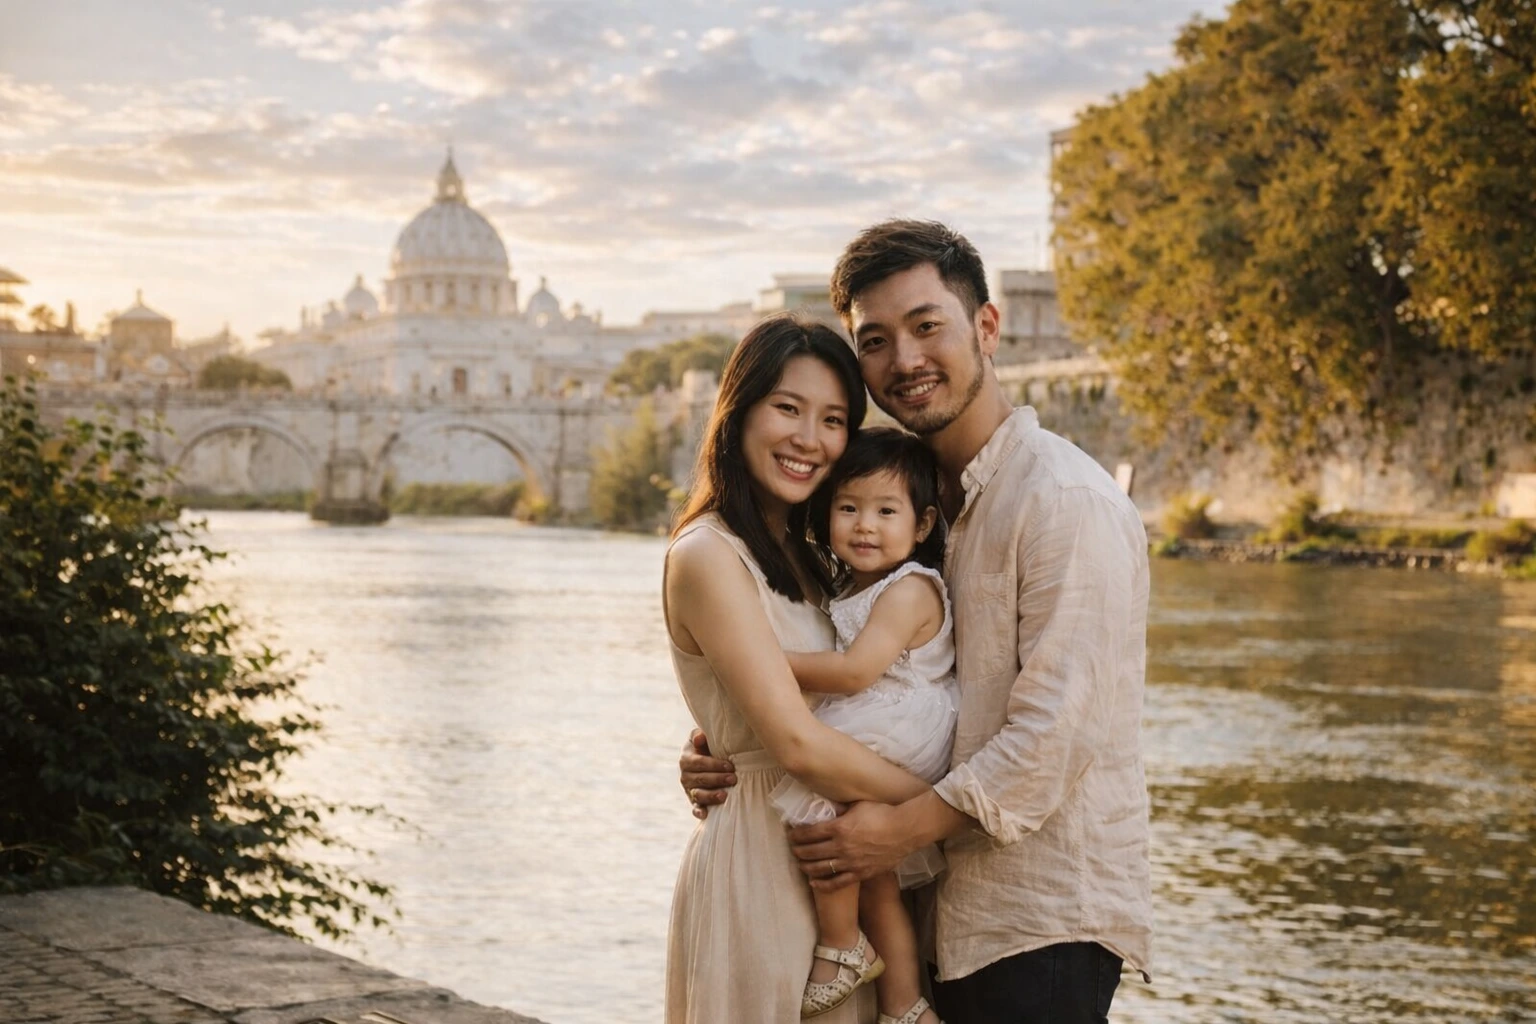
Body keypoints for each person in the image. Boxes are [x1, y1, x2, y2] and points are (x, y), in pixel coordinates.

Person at [681, 220, 1152, 1024]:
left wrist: (893, 827)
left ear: (988, 328)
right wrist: (740, 737)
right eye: (876, 340)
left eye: (927, 326)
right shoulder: (908, 506)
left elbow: (1052, 741)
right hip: (936, 911)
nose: (904, 360)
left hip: (1032, 923)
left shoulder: (1064, 503)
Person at [663, 313, 937, 1024]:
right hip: (763, 860)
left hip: (837, 858)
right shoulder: (707, 554)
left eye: (834, 420)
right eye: (787, 408)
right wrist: (948, 808)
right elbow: (793, 745)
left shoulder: (822, 563)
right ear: (738, 411)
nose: (809, 440)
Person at [772, 427, 958, 1024]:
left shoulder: (909, 590)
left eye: (885, 510)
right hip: (885, 725)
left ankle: (840, 943)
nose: (865, 525)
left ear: (923, 525)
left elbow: (854, 673)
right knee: (870, 866)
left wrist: (761, 661)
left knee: (818, 811)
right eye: (848, 508)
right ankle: (906, 1003)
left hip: (901, 727)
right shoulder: (855, 585)